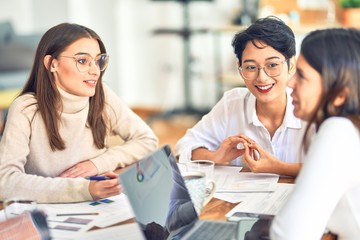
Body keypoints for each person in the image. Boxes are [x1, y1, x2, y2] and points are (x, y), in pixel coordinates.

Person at [0, 23, 158, 203]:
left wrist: (97, 164)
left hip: (94, 204)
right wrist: (83, 189)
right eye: (82, 61)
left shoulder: (102, 95)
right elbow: (5, 181)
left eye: (98, 61)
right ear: (52, 64)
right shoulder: (26, 108)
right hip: (47, 210)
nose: (95, 71)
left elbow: (147, 140)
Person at [176, 16, 308, 177]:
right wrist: (216, 156)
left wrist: (278, 167)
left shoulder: (311, 106)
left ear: (291, 64)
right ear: (240, 68)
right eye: (251, 67)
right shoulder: (233, 102)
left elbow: (335, 167)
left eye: (272, 65)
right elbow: (184, 147)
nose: (262, 77)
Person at [269, 28, 360, 239]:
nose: (290, 83)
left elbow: (288, 235)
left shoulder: (339, 132)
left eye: (301, 76)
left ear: (339, 95)